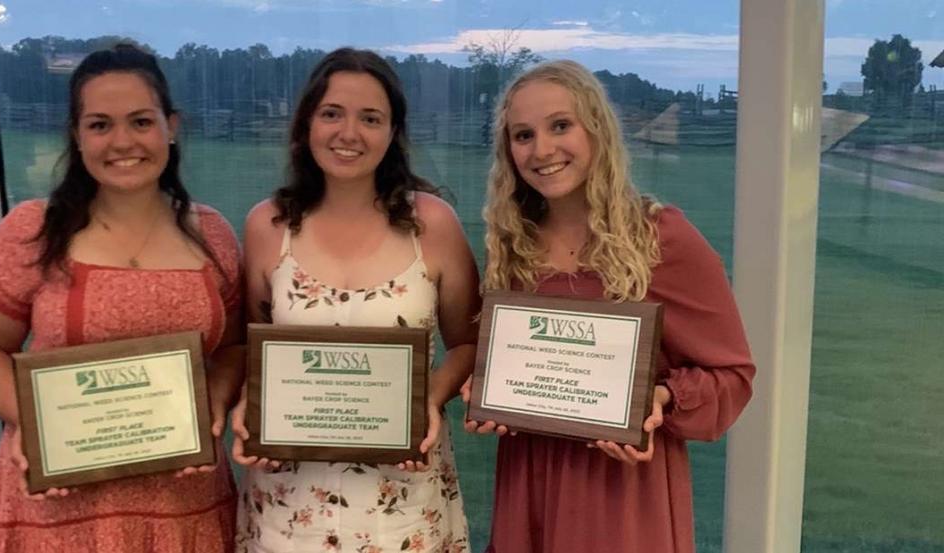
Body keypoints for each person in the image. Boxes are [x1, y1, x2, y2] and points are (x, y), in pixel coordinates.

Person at [0, 44, 242, 552]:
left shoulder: (213, 235)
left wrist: (212, 404)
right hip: (62, 509)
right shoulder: (34, 232)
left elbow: (234, 348)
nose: (122, 141)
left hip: (183, 504)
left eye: (141, 122)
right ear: (76, 136)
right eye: (100, 124)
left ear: (171, 126)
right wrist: (33, 419)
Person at [463, 60, 755, 553]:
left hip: (621, 497)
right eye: (523, 135)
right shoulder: (513, 247)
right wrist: (487, 388)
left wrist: (658, 402)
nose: (542, 150)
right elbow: (517, 365)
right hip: (530, 484)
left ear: (596, 128)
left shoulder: (660, 238)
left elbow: (733, 376)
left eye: (560, 126)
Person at [231, 47, 480, 552]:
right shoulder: (267, 225)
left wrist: (424, 403)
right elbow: (245, 348)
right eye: (332, 114)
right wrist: (246, 406)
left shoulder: (433, 224)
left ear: (393, 132)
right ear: (305, 125)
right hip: (288, 506)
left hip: (402, 503)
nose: (349, 133)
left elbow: (470, 343)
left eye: (370, 118)